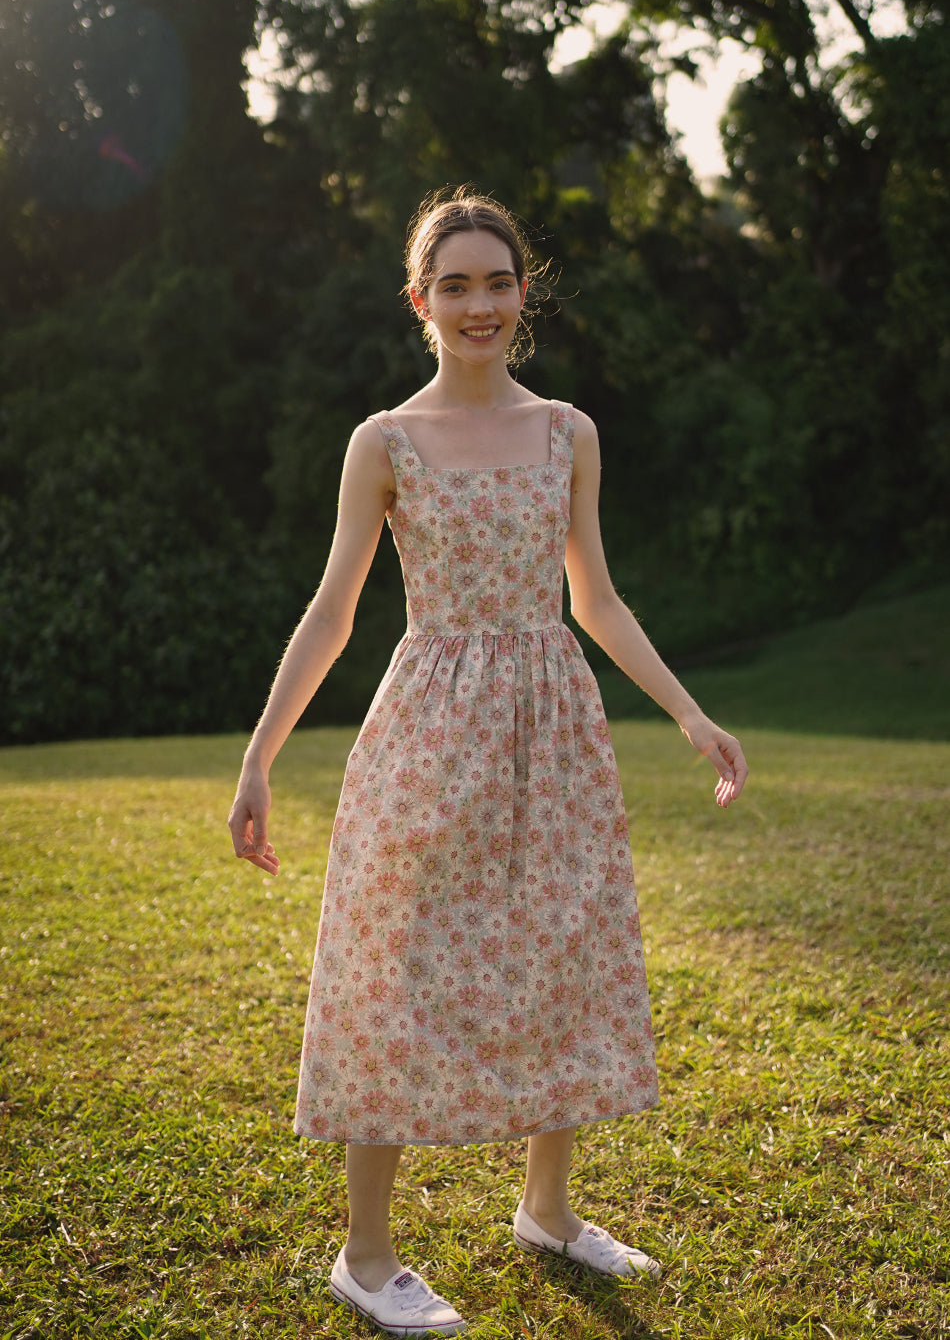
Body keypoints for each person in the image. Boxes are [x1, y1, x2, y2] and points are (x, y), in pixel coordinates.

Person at [228, 188, 748, 1337]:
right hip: (425, 728)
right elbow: (330, 612)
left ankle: (547, 1210)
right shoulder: (385, 441)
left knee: (556, 947)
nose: (478, 303)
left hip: (552, 723)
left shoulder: (568, 431)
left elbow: (594, 598)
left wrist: (691, 714)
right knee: (396, 967)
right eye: (453, 284)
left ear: (524, 294)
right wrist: (260, 756)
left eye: (497, 282)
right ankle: (365, 1254)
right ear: (420, 301)